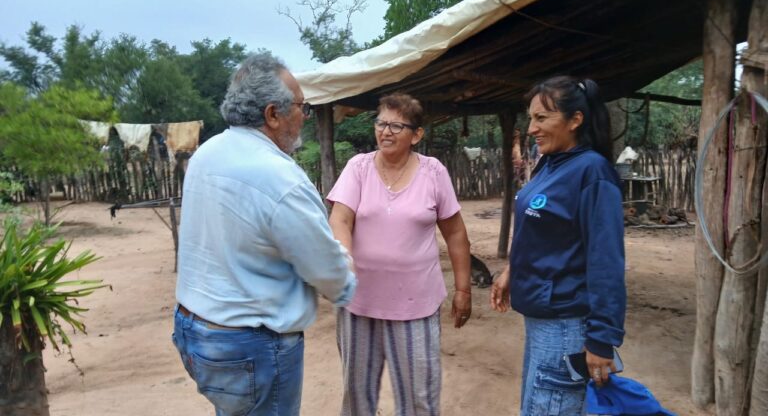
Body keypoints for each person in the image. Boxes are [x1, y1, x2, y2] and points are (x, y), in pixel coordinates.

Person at [172, 54, 357, 416]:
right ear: (273, 114)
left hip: (195, 331)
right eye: (301, 107)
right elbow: (323, 266)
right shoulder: (278, 176)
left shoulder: (207, 153)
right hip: (249, 344)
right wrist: (347, 284)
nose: (305, 116)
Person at [327, 93, 472, 416]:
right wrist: (345, 259)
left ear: (416, 135)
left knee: (419, 396)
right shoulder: (359, 167)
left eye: (396, 125)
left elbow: (456, 232)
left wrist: (463, 289)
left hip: (415, 305)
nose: (386, 132)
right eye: (381, 123)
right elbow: (341, 217)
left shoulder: (433, 172)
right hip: (358, 301)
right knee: (357, 394)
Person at [490, 76, 626, 415]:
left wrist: (600, 339)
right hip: (541, 319)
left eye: (542, 118)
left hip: (566, 323)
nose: (532, 127)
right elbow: (544, 233)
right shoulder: (550, 164)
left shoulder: (592, 173)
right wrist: (512, 269)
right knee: (538, 405)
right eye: (531, 117)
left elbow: (606, 260)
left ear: (575, 119)